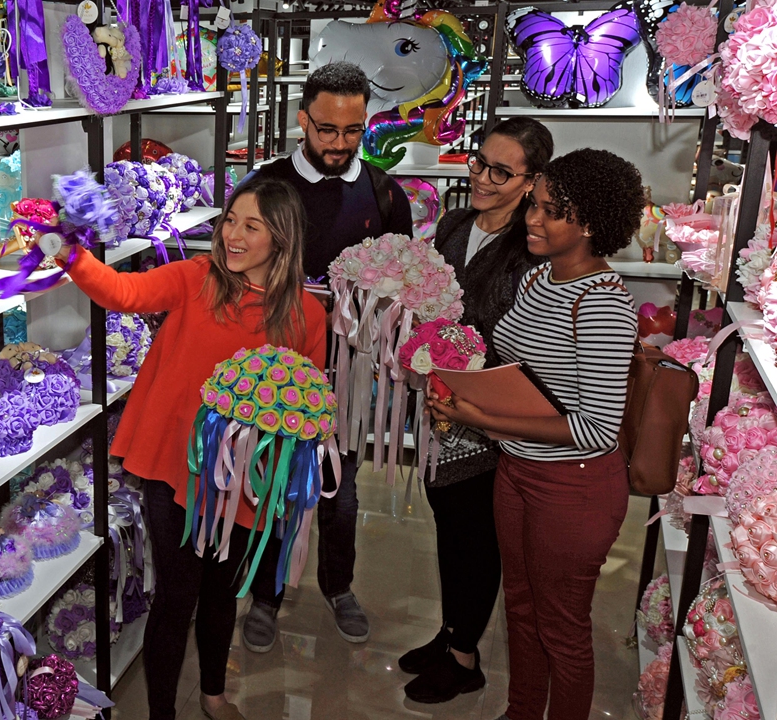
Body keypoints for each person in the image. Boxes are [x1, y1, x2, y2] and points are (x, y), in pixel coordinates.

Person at [57, 176, 327, 720]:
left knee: (223, 592)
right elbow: (121, 292)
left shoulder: (305, 314)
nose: (232, 235)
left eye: (252, 226)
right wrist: (66, 250)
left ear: (282, 238)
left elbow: (310, 400)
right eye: (230, 220)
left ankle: (212, 693)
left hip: (246, 480)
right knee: (177, 599)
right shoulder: (196, 277)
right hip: (174, 466)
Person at [427, 148, 644, 720]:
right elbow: (517, 370)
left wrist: (481, 418)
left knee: (563, 626)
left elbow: (594, 430)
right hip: (517, 471)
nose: (532, 218)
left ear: (592, 223)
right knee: (520, 610)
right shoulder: (539, 278)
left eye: (551, 211)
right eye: (536, 205)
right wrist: (462, 387)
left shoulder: (604, 308)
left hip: (572, 488)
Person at [243, 60, 413, 651]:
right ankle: (264, 594)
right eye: (326, 130)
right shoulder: (264, 188)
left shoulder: (385, 191)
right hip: (272, 366)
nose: (340, 144)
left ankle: (338, 586)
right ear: (301, 120)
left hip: (348, 369)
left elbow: (403, 281)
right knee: (267, 482)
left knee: (340, 488)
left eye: (352, 130)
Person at [398, 117, 553, 704]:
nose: (481, 177)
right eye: (478, 161)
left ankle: (466, 658)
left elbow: (520, 336)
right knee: (446, 520)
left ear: (531, 181)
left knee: (475, 532)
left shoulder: (531, 245)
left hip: (486, 414)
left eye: (500, 171)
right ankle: (452, 631)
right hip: (438, 403)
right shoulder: (456, 222)